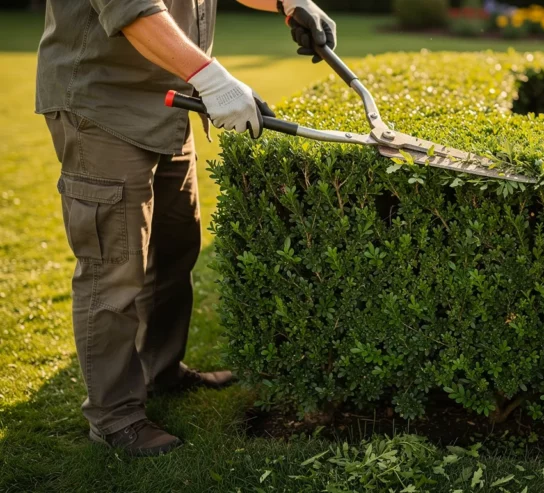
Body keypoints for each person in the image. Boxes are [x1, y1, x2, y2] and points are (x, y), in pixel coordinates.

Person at [35, 0, 337, 457]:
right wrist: (214, 79)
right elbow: (133, 10)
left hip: (169, 99)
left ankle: (162, 370)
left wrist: (288, 2)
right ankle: (114, 416)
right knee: (113, 267)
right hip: (103, 106)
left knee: (176, 247)